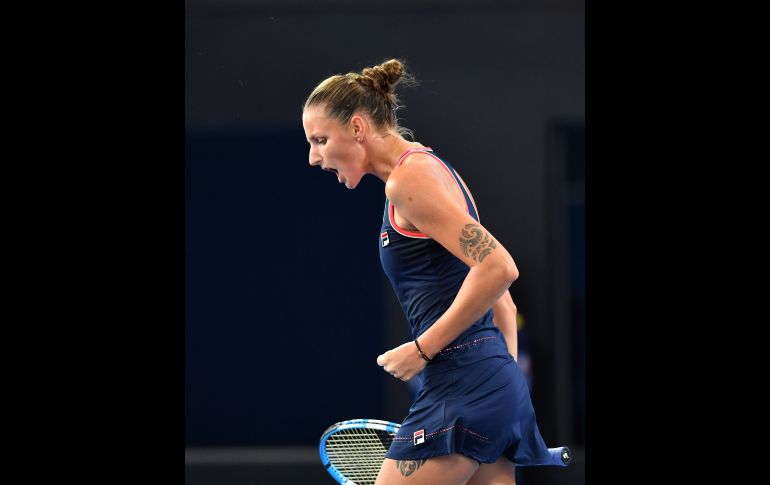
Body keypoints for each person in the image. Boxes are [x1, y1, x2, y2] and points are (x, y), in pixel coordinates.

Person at [302, 59, 552, 485]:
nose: (314, 157)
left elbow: (498, 268)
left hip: (460, 384)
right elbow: (503, 304)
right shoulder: (436, 170)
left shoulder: (409, 181)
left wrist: (421, 350)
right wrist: (503, 384)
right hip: (489, 383)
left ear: (358, 128)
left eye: (321, 140)